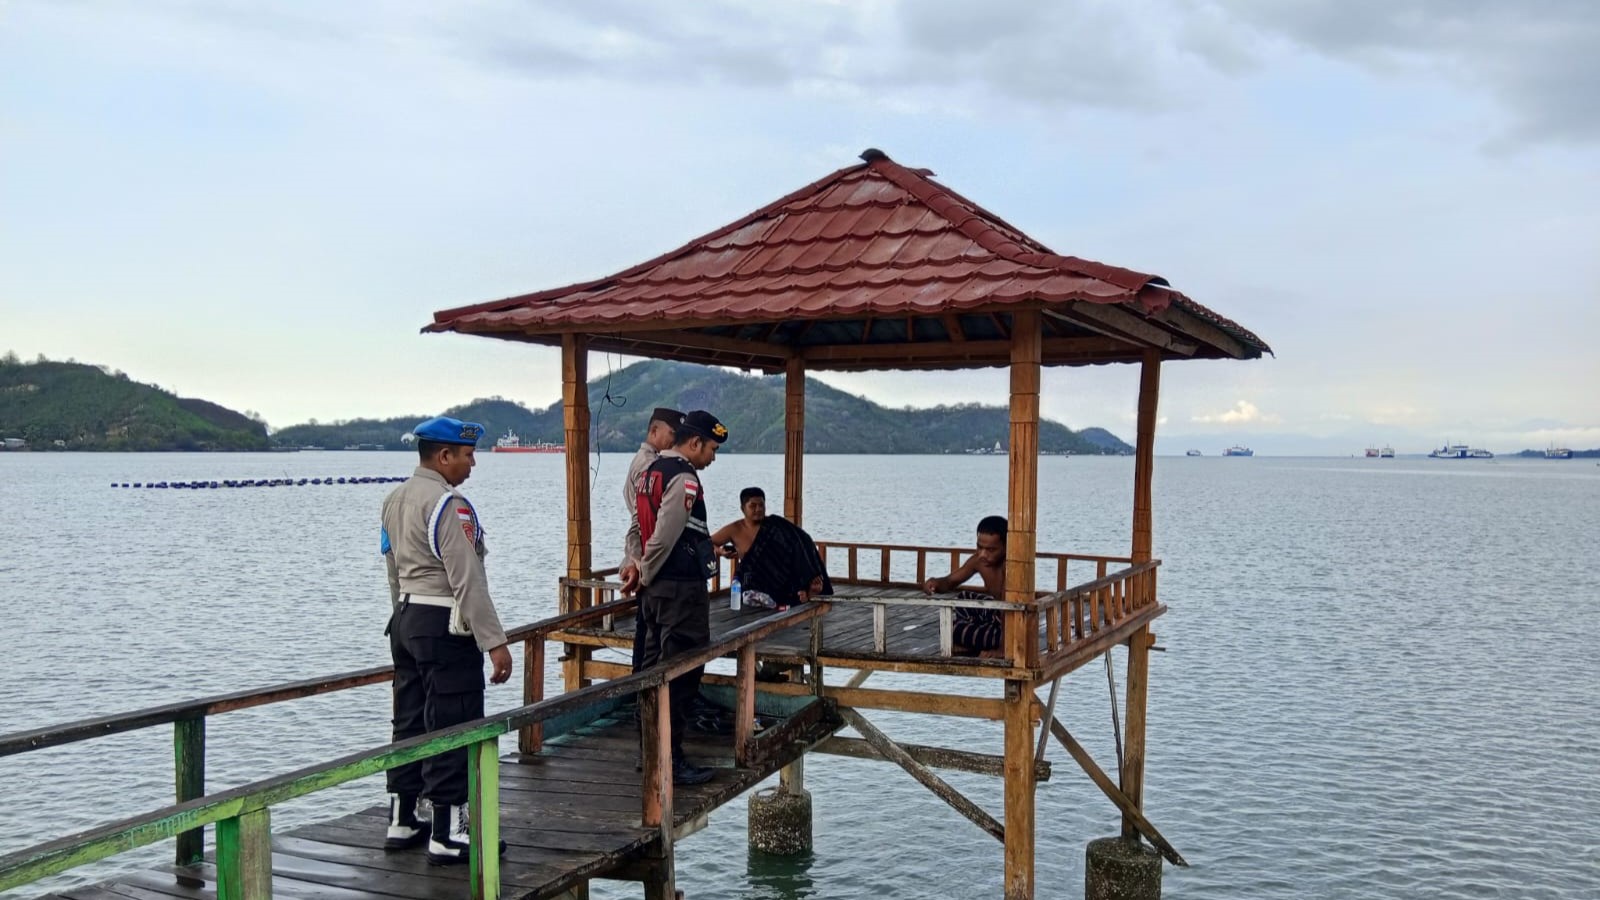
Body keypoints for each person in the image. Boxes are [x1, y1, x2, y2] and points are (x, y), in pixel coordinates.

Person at [380, 416, 513, 865]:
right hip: (443, 623)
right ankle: (449, 831)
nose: (472, 464)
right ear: (443, 456)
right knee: (454, 722)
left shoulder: (393, 500)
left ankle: (402, 816)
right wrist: (494, 641)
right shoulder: (448, 504)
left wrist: (402, 616)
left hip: (405, 619)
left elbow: (392, 568)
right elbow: (467, 576)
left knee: (410, 719)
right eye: (467, 455)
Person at [630, 410, 727, 786]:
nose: (713, 458)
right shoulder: (684, 479)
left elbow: (640, 529)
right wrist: (648, 574)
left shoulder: (650, 472)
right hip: (678, 593)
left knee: (651, 672)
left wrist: (639, 569)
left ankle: (649, 752)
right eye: (712, 449)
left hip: (656, 595)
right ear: (695, 443)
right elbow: (665, 536)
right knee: (681, 675)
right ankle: (670, 760)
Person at [622, 407, 684, 672]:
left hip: (646, 554)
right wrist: (639, 563)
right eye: (671, 433)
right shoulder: (648, 465)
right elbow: (641, 519)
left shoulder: (646, 461)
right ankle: (645, 693)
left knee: (648, 633)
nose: (674, 440)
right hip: (651, 558)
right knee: (650, 637)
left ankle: (644, 691)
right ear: (654, 431)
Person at [712, 487, 832, 609]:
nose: (758, 509)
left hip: (782, 579)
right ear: (743, 508)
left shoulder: (776, 525)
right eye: (753, 506)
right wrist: (720, 552)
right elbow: (707, 542)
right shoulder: (734, 529)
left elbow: (802, 540)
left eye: (761, 505)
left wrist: (810, 575)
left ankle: (808, 590)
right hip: (754, 583)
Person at [922, 515, 1008, 657]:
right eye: (979, 547)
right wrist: (936, 583)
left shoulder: (1009, 566)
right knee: (964, 597)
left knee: (948, 628)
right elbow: (950, 581)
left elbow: (1008, 610)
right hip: (995, 612)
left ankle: (976, 640)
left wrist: (1003, 649)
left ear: (1006, 547)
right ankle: (974, 635)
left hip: (1011, 626)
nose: (982, 554)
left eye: (991, 550)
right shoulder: (978, 561)